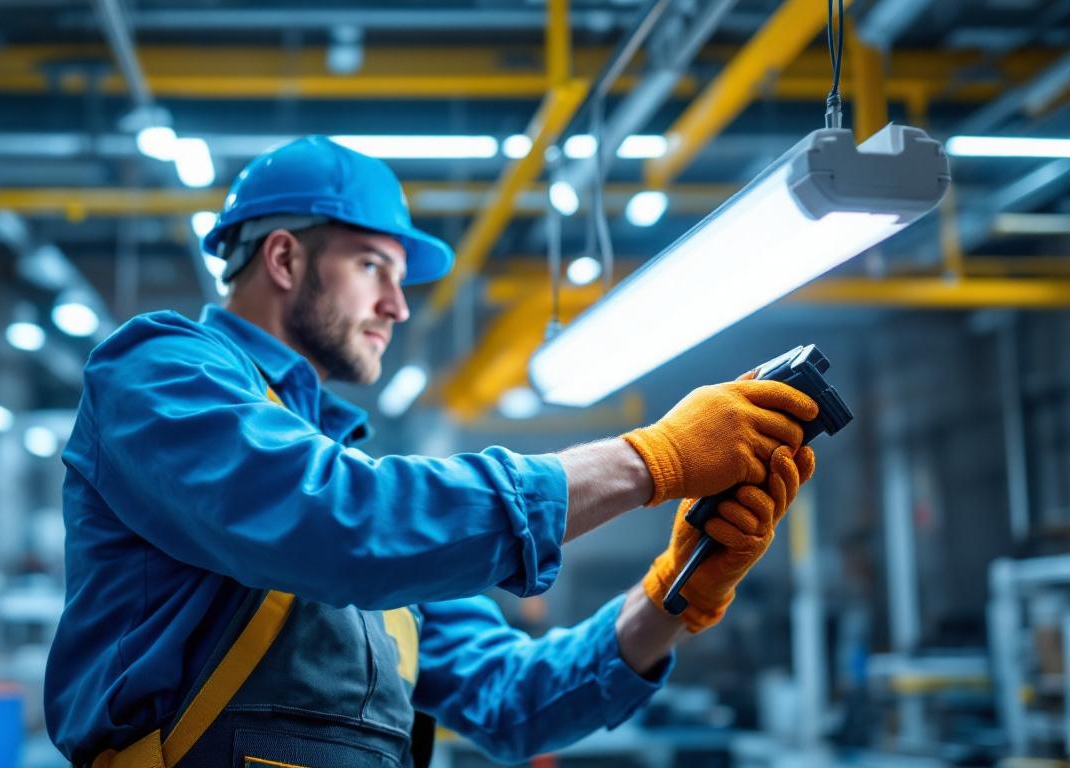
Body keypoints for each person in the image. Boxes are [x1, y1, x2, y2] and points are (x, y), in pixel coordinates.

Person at [44, 136, 818, 767]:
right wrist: (653, 461)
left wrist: (675, 594)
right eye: (373, 265)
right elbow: (345, 523)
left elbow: (513, 700)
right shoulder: (161, 371)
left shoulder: (355, 486)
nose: (398, 304)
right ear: (283, 259)